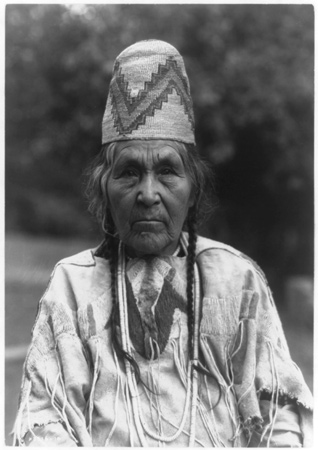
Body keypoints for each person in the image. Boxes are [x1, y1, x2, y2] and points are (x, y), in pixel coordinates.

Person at [13, 40, 313, 447]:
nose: (148, 194)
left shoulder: (236, 279)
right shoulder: (72, 287)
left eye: (168, 172)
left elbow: (281, 411)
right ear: (104, 190)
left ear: (193, 190)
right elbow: (43, 419)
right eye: (129, 172)